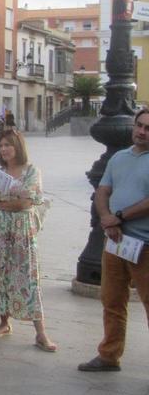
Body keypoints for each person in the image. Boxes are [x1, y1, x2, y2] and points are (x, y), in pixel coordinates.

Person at [78, 109, 149, 372]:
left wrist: (118, 217)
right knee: (112, 301)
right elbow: (103, 190)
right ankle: (109, 355)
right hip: (116, 242)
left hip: (144, 244)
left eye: (147, 128)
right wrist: (107, 217)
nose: (141, 131)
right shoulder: (119, 158)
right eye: (139, 125)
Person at [0, 130, 57, 352]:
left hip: (22, 230)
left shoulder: (31, 171)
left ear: (18, 147)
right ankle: (4, 322)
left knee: (27, 277)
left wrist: (5, 204)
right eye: (1, 145)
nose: (4, 149)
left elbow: (27, 201)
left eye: (8, 145)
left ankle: (41, 333)